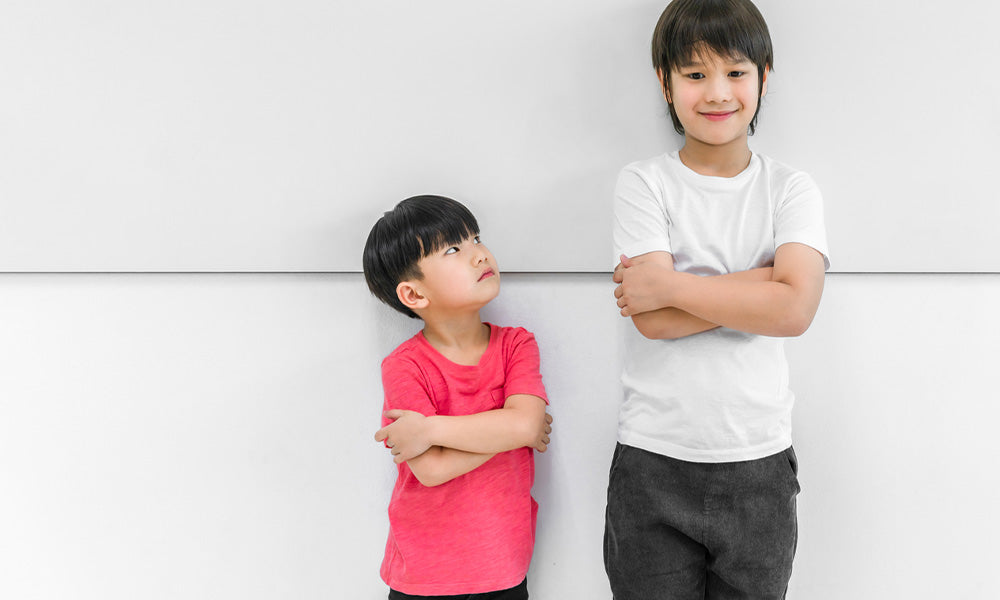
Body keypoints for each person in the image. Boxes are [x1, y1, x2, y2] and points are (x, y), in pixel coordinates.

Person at [604, 0, 830, 598]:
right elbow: (649, 319)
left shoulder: (791, 189)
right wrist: (762, 282)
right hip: (653, 457)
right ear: (665, 82)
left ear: (763, 76)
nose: (717, 92)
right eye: (695, 74)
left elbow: (795, 311)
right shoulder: (643, 182)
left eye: (735, 72)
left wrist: (672, 285)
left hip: (758, 460)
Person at [363, 194, 552, 600]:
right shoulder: (404, 366)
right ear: (414, 295)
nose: (479, 254)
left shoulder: (516, 345)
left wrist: (430, 428)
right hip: (423, 577)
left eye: (476, 239)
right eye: (453, 249)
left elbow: (526, 423)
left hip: (503, 568)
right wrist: (509, 432)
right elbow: (431, 469)